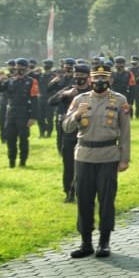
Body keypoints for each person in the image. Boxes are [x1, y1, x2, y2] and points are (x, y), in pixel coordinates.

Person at [61, 64, 131, 258]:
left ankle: (104, 242)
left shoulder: (119, 100)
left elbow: (125, 132)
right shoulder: (79, 100)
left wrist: (124, 159)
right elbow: (66, 127)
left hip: (108, 155)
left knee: (106, 200)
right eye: (96, 79)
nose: (99, 82)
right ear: (90, 80)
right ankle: (86, 242)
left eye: (104, 79)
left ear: (109, 80)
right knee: (84, 200)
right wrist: (76, 115)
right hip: (84, 155)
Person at [49, 62, 90, 202]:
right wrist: (64, 94)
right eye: (76, 75)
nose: (79, 78)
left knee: (86, 165)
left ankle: (84, 191)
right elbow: (51, 101)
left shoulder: (93, 91)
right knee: (68, 164)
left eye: (82, 76)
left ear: (88, 77)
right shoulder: (69, 90)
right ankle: (69, 192)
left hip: (87, 132)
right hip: (69, 132)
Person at [0, 58, 40, 168]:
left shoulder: (31, 81)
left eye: (22, 68)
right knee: (10, 138)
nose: (19, 70)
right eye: (17, 68)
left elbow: (34, 100)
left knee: (23, 138)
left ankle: (22, 161)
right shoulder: (10, 80)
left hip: (24, 112)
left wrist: (33, 117)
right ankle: (11, 161)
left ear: (26, 68)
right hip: (10, 112)